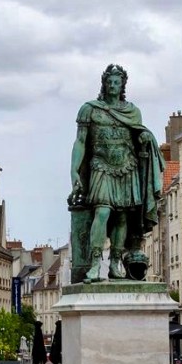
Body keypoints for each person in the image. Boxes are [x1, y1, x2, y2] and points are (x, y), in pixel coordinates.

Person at [68, 63, 164, 281]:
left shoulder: (132, 111)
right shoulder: (90, 109)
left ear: (122, 85)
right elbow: (80, 142)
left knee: (122, 218)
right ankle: (95, 264)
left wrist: (145, 137)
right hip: (101, 166)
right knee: (102, 212)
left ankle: (114, 263)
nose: (112, 85)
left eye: (117, 82)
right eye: (109, 82)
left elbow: (138, 134)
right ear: (104, 84)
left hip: (127, 167)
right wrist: (74, 171)